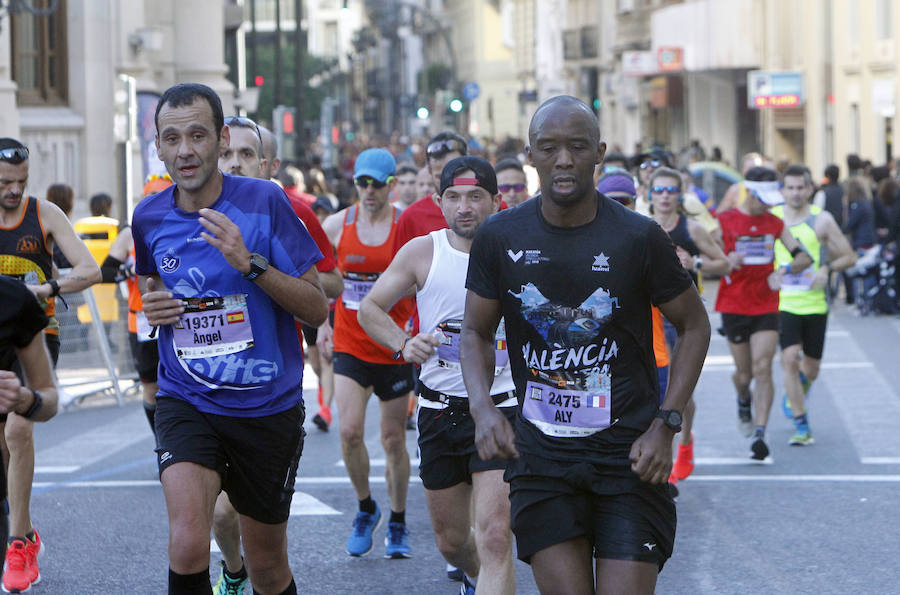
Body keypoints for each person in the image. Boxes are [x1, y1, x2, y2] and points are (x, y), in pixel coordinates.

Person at [460, 96, 711, 594]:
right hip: (542, 461)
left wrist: (669, 423)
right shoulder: (499, 236)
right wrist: (484, 409)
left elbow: (696, 326)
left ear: (599, 152)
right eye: (549, 147)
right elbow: (474, 332)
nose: (565, 160)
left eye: (577, 146)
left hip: (629, 458)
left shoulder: (639, 237)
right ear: (530, 155)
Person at [133, 83, 328, 595]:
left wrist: (250, 264)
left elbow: (316, 307)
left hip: (266, 406)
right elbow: (153, 290)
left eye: (197, 135)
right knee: (188, 542)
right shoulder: (148, 216)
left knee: (265, 567)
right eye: (171, 138)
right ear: (157, 146)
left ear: (220, 139)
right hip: (187, 398)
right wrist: (154, 307)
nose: (185, 151)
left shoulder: (265, 202)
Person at [359, 156, 516, 595]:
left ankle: (487, 577)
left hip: (501, 407)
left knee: (495, 536)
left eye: (475, 197)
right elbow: (370, 308)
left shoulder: (517, 253)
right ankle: (473, 578)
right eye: (454, 197)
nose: (465, 207)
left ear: (496, 201)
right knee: (452, 543)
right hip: (439, 411)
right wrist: (404, 344)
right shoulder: (423, 252)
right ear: (438, 201)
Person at [0, 137, 100, 593]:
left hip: (36, 337)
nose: (14, 191)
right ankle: (17, 525)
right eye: (5, 183)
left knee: (19, 429)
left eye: (21, 182)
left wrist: (46, 290)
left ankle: (19, 545)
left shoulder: (44, 214)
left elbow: (90, 269)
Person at [321, 148, 415, 559]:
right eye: (363, 182)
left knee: (393, 439)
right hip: (350, 343)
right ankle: (365, 508)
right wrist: (321, 324)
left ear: (392, 185)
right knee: (349, 431)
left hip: (393, 344)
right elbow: (316, 277)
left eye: (378, 183)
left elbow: (424, 277)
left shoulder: (405, 227)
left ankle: (397, 519)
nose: (369, 190)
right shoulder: (338, 225)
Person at [715, 166, 813, 461]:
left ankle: (760, 433)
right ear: (749, 190)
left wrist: (785, 269)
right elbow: (706, 257)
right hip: (733, 304)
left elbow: (805, 257)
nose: (768, 204)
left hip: (766, 304)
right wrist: (724, 260)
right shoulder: (724, 220)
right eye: (763, 197)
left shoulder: (775, 223)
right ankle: (743, 399)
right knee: (744, 374)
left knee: (762, 367)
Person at [646, 167, 731, 484]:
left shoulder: (691, 229)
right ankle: (658, 448)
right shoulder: (642, 227)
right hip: (650, 316)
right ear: (649, 194)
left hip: (683, 318)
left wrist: (694, 263)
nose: (665, 196)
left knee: (683, 392)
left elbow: (723, 263)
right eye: (659, 190)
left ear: (680, 196)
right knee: (657, 387)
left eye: (671, 191)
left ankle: (684, 444)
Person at [774, 165, 857, 445]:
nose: (796, 193)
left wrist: (827, 269)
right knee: (788, 359)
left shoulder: (822, 221)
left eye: (801, 188)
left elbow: (849, 256)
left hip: (815, 305)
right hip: (783, 303)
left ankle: (799, 385)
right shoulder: (773, 219)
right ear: (783, 190)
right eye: (790, 187)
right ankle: (802, 426)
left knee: (811, 369)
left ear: (810, 190)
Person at [100, 174, 174, 443]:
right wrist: (127, 269)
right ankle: (162, 444)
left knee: (184, 387)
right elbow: (105, 272)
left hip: (181, 318)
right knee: (151, 388)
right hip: (142, 322)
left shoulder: (184, 227)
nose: (154, 203)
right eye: (149, 197)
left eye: (161, 197)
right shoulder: (130, 234)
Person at [0, 277, 60, 574]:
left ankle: (18, 538)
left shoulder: (13, 299)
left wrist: (25, 400)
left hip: (26, 351)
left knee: (17, 430)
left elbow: (49, 400)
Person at [842, 177, 877, 306]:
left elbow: (849, 225)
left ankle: (860, 300)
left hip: (860, 242)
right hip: (868, 241)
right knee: (867, 271)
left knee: (856, 271)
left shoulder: (858, 205)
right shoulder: (867, 203)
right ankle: (867, 300)